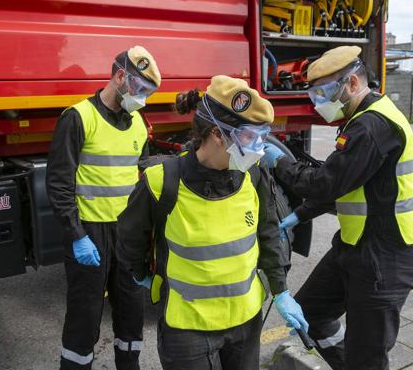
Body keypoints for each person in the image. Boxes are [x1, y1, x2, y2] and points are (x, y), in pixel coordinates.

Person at [116, 75, 308, 370]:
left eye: (263, 135)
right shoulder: (161, 181)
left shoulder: (253, 174)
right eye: (250, 136)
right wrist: (140, 273)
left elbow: (268, 232)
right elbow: (130, 239)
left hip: (246, 322)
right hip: (187, 330)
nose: (259, 148)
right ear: (218, 134)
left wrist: (281, 290)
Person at [262, 46, 413, 370]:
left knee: (369, 356)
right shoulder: (360, 119)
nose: (318, 101)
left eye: (324, 92)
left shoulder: (371, 127)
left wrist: (280, 163)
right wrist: (301, 214)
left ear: (351, 83)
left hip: (383, 259)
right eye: (314, 93)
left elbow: (325, 183)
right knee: (311, 314)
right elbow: (349, 184)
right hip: (354, 247)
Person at [46, 45, 161, 370]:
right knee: (84, 316)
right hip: (89, 234)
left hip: (126, 236)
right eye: (140, 89)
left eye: (148, 92)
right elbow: (58, 183)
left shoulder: (138, 123)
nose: (143, 98)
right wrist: (75, 234)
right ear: (120, 76)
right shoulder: (78, 117)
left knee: (131, 311)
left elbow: (141, 178)